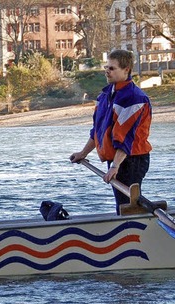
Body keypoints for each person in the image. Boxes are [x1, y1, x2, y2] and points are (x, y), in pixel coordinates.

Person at [70, 49, 152, 214]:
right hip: (117, 158)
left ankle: (133, 232)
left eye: (112, 68)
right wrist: (83, 153)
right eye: (106, 67)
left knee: (127, 206)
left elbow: (125, 137)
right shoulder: (106, 95)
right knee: (122, 205)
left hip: (131, 159)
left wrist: (115, 166)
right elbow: (98, 131)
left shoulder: (134, 98)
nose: (107, 71)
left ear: (126, 70)